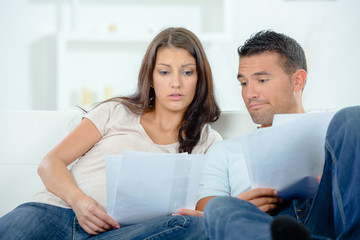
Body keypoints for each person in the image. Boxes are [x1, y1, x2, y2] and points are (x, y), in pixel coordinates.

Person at [0, 27, 222, 240]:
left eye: (187, 72)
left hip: (119, 233)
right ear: (151, 79)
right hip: (56, 214)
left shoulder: (209, 142)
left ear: (199, 78)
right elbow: (50, 163)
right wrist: (79, 202)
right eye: (165, 72)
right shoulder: (116, 111)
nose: (176, 83)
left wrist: (212, 218)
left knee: (197, 227)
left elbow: (200, 214)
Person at [196, 30, 360, 240]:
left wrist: (335, 178)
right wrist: (243, 205)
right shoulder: (223, 150)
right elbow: (203, 214)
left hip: (327, 217)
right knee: (219, 208)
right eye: (244, 83)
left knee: (352, 117)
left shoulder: (337, 134)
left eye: (262, 80)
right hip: (266, 226)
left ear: (298, 81)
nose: (249, 94)